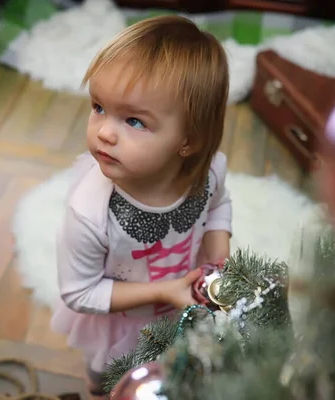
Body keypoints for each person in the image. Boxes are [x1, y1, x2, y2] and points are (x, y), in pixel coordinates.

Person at [50, 15, 232, 398]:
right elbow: (79, 293)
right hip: (120, 321)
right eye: (98, 107)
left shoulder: (210, 171)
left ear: (190, 140)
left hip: (183, 306)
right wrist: (163, 292)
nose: (104, 132)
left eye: (133, 120)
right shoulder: (89, 212)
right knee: (106, 377)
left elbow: (218, 205)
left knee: (175, 371)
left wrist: (218, 257)